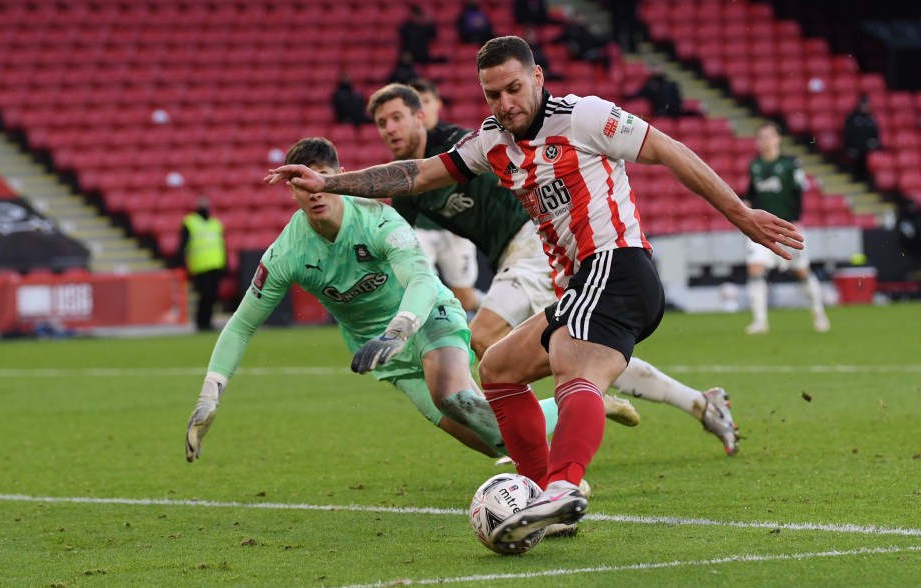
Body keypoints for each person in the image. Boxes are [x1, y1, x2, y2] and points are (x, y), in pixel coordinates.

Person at [266, 36, 802, 551]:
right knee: (496, 366)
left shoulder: (585, 116)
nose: (504, 103)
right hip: (579, 284)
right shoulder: (491, 141)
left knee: (574, 364)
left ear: (537, 78)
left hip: (618, 266)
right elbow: (418, 175)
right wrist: (330, 182)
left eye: (513, 88)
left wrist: (742, 215)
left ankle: (564, 489)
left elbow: (668, 149)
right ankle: (537, 495)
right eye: (492, 94)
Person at [370, 81, 741, 453]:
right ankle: (700, 404)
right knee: (592, 351)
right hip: (516, 259)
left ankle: (531, 437)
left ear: (421, 117)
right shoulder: (410, 191)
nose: (390, 128)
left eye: (397, 117)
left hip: (531, 243)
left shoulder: (455, 144)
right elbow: (403, 239)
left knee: (485, 336)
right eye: (382, 122)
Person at [186, 137, 554, 464]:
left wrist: (399, 330)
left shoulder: (378, 220)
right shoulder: (287, 254)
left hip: (425, 317)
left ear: (340, 177)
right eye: (301, 183)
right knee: (492, 440)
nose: (315, 191)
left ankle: (556, 479)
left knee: (452, 397)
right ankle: (574, 406)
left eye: (323, 178)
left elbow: (422, 280)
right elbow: (242, 324)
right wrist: (210, 393)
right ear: (291, 191)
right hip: (379, 353)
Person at [743, 122, 830, 335]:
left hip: (787, 226)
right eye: (762, 137)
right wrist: (746, 205)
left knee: (801, 271)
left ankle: (818, 313)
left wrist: (797, 220)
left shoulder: (791, 164)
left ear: (778, 138)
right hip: (762, 229)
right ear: (757, 141)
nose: (766, 141)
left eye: (770, 136)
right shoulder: (754, 165)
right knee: (754, 268)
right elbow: (752, 193)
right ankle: (760, 321)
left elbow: (798, 193)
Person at [408, 78, 484, 315]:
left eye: (425, 101)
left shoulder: (455, 139)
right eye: (415, 104)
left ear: (437, 104)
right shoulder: (406, 144)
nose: (421, 108)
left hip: (455, 229)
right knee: (420, 289)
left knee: (464, 297)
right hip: (421, 230)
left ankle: (496, 311)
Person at [178, 195, 226, 332]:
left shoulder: (216, 223)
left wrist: (225, 263)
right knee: (204, 295)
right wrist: (182, 263)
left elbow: (222, 245)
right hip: (200, 266)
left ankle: (208, 322)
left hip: (216, 264)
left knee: (212, 296)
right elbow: (183, 245)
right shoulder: (190, 222)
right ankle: (201, 323)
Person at [625, 63, 697, 118]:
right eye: (655, 67)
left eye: (659, 67)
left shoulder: (671, 84)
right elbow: (638, 94)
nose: (658, 69)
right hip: (660, 113)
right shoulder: (649, 85)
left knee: (694, 115)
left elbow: (678, 99)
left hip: (675, 111)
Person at [842, 94, 881, 182]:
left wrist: (874, 143)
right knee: (857, 155)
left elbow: (875, 135)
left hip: (867, 148)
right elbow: (848, 135)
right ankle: (857, 179)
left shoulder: (871, 119)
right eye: (864, 104)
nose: (866, 107)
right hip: (855, 148)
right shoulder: (852, 118)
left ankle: (870, 181)